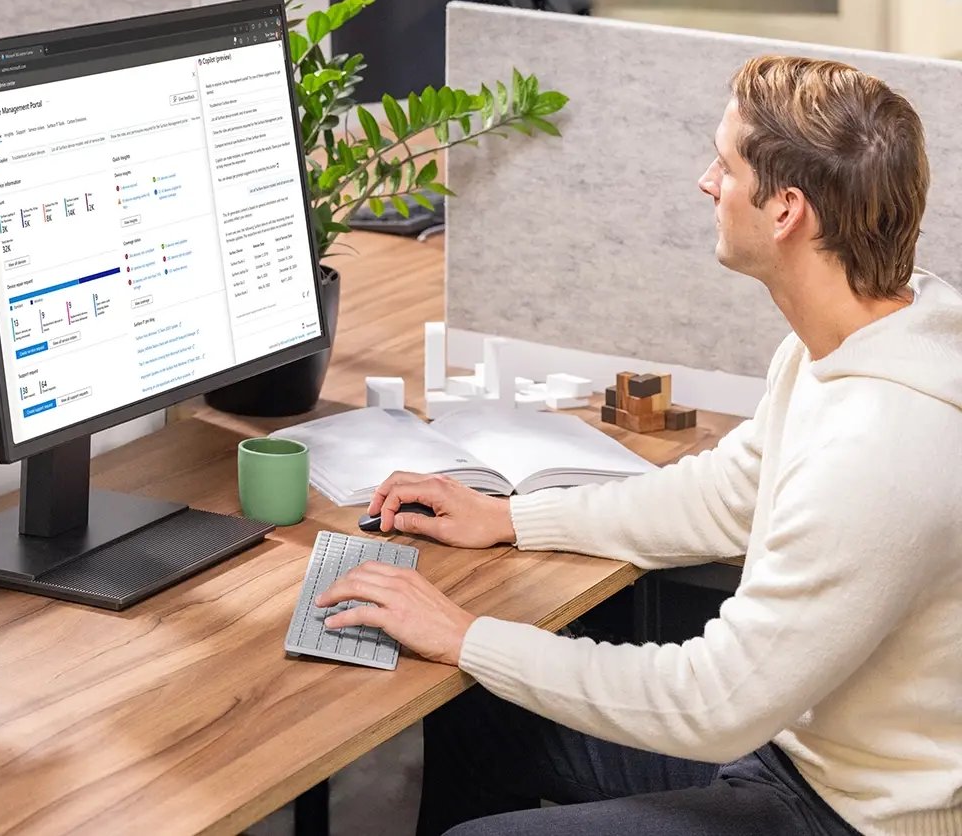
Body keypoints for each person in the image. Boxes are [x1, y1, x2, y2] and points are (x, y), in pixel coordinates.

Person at [314, 55, 962, 836]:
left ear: (787, 210)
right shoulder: (859, 336)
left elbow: (712, 703)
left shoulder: (881, 449)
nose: (705, 183)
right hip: (794, 741)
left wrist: (465, 632)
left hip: (851, 813)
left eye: (723, 166)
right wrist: (512, 518)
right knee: (479, 717)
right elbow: (726, 496)